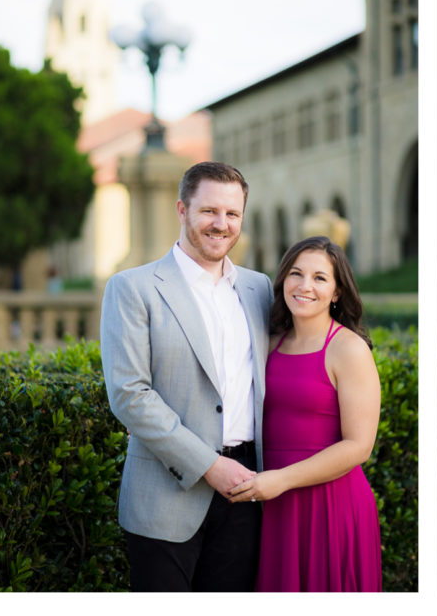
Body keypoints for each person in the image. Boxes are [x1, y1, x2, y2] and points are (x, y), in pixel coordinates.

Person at [100, 162, 273, 591]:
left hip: (248, 487)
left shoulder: (259, 288)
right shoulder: (133, 288)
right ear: (182, 209)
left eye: (233, 214)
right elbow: (129, 395)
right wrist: (209, 466)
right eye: (209, 211)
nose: (222, 224)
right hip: (166, 493)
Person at [227, 235, 382, 591]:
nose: (304, 286)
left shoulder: (349, 349)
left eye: (320, 278)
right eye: (296, 274)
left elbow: (359, 446)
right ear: (282, 280)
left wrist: (281, 480)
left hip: (331, 504)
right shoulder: (269, 342)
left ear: (338, 292)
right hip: (275, 505)